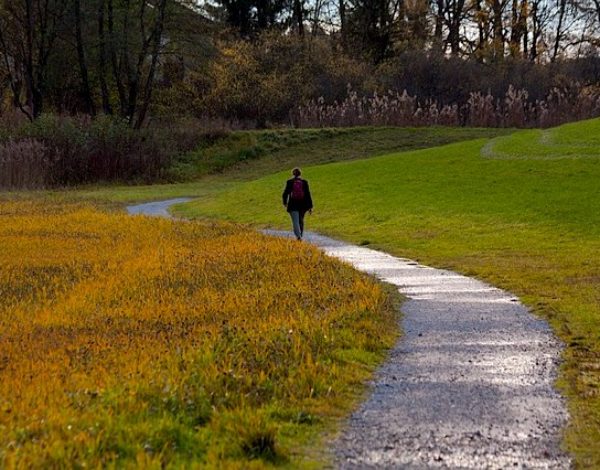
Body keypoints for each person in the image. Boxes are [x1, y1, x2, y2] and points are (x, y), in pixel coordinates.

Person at [282, 168, 313, 240]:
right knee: (301, 220)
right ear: (300, 174)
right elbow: (308, 194)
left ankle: (298, 237)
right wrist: (310, 206)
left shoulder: (289, 182)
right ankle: (300, 234)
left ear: (293, 174)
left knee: (295, 221)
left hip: (293, 205)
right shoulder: (304, 182)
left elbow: (285, 193)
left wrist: (285, 202)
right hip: (303, 205)